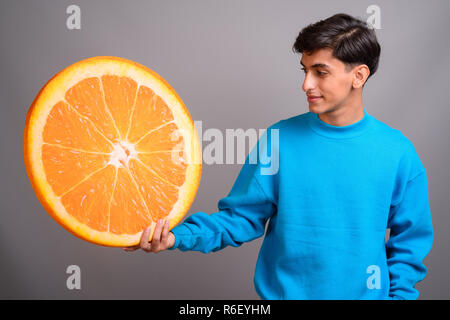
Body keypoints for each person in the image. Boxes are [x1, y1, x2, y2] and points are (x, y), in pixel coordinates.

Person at [124, 13, 433, 300]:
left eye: (320, 72)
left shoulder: (398, 152)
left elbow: (409, 244)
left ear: (359, 76)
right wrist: (177, 237)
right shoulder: (279, 140)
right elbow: (239, 219)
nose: (306, 84)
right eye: (305, 70)